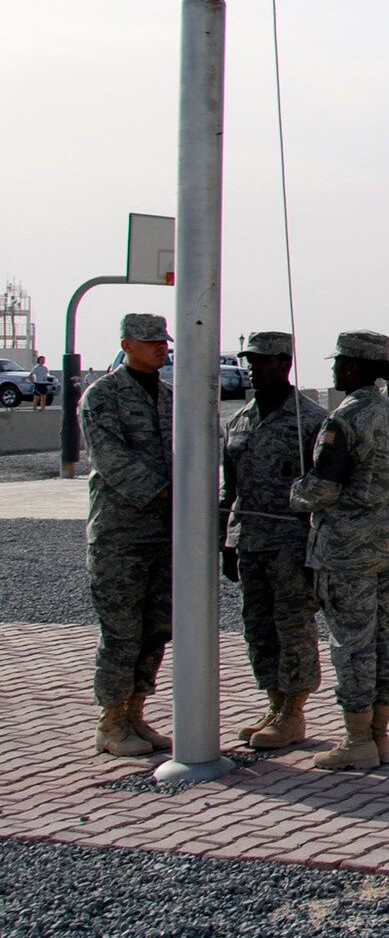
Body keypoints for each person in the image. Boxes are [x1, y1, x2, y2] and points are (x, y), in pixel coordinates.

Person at [288, 329, 389, 771]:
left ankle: (357, 737)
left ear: (357, 367)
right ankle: (380, 734)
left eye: (341, 362)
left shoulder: (343, 420)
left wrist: (296, 495)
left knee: (353, 643)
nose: (335, 370)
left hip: (348, 549)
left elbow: (322, 487)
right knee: (387, 639)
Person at [222, 331, 328, 749]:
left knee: (293, 626)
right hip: (249, 540)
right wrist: (224, 540)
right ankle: (274, 701)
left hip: (291, 542)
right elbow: (230, 489)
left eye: (261, 360)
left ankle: (294, 712)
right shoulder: (240, 419)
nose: (252, 368)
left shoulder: (311, 420)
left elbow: (325, 488)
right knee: (258, 627)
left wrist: (316, 548)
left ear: (284, 363)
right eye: (249, 360)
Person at [80, 313, 175, 758]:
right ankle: (111, 720)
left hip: (166, 533)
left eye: (162, 340)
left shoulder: (172, 397)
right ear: (126, 344)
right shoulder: (102, 397)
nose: (160, 346)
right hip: (121, 533)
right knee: (121, 629)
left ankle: (136, 712)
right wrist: (165, 490)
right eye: (149, 341)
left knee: (155, 628)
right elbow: (110, 457)